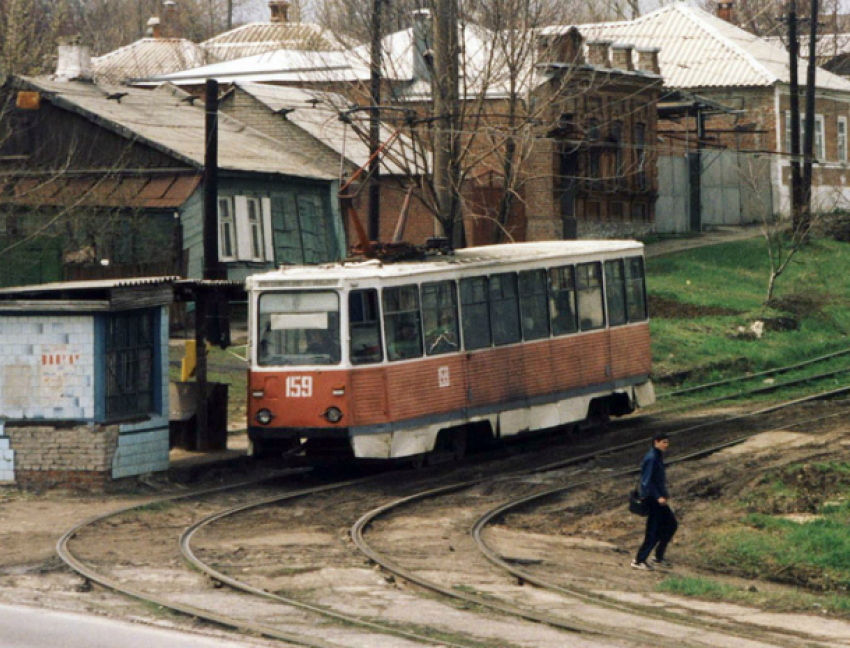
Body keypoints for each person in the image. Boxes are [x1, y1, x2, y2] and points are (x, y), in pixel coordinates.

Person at [631, 433, 678, 571]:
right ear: (656, 442)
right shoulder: (652, 458)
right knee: (654, 530)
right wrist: (658, 497)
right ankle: (639, 560)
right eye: (664, 442)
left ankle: (657, 557)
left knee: (670, 525)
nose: (666, 445)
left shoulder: (657, 456)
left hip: (658, 500)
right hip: (654, 500)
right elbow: (647, 482)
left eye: (667, 442)